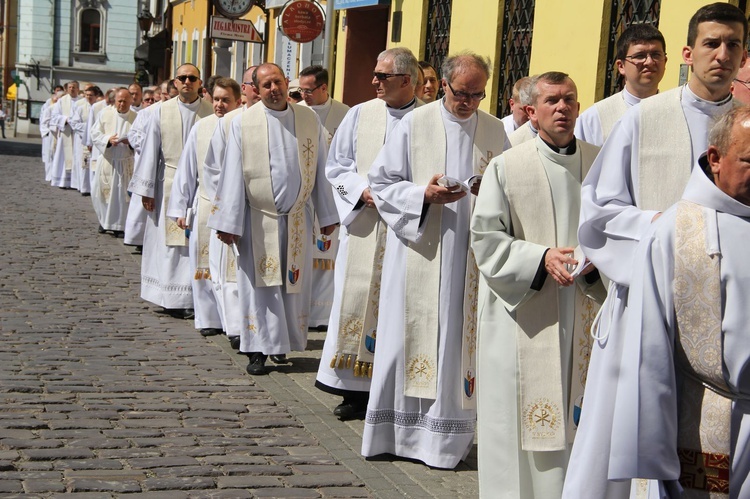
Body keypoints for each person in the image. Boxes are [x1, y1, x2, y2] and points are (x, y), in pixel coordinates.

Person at [565, 4, 748, 499]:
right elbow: (598, 216)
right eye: (712, 43)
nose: (722, 55)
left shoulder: (746, 124)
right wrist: (667, 231)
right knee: (626, 431)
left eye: (733, 45)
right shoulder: (644, 119)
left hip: (728, 314)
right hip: (645, 308)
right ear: (689, 53)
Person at [362, 52, 509, 469]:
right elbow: (382, 182)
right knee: (405, 338)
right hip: (419, 250)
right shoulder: (414, 123)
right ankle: (396, 435)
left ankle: (444, 444)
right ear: (443, 85)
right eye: (461, 93)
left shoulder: (496, 130)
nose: (468, 102)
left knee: (456, 346)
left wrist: (488, 189)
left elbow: (512, 181)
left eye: (478, 94)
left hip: (470, 257)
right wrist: (423, 195)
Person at [471, 71, 603, 498]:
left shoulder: (600, 162)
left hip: (586, 308)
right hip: (525, 312)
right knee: (516, 418)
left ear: (579, 108)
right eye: (552, 101)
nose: (562, 108)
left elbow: (618, 227)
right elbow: (486, 239)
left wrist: (597, 262)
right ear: (531, 112)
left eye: (569, 100)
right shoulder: (507, 166)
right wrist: (541, 258)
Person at [611, 105, 750, 498]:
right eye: (749, 161)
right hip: (709, 420)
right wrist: (650, 448)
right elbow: (648, 346)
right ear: (715, 159)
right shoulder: (677, 230)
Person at [207, 63, 338, 375]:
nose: (273, 89)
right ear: (256, 89)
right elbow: (231, 176)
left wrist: (329, 213)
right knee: (260, 288)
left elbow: (324, 169)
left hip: (297, 219)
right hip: (258, 220)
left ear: (285, 82)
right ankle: (257, 350)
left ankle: (281, 345)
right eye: (265, 85)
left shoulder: (309, 119)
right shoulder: (242, 124)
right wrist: (229, 222)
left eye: (277, 82)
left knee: (292, 286)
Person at [315, 47, 420, 420]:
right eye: (375, 74)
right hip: (364, 225)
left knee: (397, 306)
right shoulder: (360, 114)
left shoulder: (427, 119)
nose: (373, 81)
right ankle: (352, 391)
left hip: (406, 231)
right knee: (356, 296)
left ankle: (390, 389)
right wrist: (361, 192)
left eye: (383, 76)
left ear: (407, 80)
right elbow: (337, 166)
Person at [129, 64, 214, 317]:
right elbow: (149, 151)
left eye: (192, 78)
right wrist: (146, 189)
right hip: (168, 181)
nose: (187, 82)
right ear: (175, 83)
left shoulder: (211, 112)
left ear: (200, 83)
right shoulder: (161, 111)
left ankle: (193, 297)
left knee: (195, 241)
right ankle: (169, 296)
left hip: (202, 185)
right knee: (169, 245)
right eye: (182, 78)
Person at [167, 78, 242, 338]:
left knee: (231, 270)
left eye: (226, 100)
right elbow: (187, 169)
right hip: (206, 204)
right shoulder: (202, 127)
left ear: (238, 102)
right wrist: (180, 207)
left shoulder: (242, 124)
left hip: (235, 208)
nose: (220, 105)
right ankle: (208, 317)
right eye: (217, 99)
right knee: (202, 267)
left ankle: (234, 322)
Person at [298, 64, 350, 332]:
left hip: (336, 193)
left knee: (331, 254)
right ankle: (304, 310)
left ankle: (326, 313)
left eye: (308, 90)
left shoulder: (346, 114)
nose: (303, 95)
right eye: (300, 90)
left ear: (324, 88)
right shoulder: (297, 114)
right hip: (305, 195)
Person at [575, 24, 667, 146]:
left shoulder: (677, 112)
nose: (649, 62)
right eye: (640, 56)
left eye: (656, 55)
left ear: (665, 61)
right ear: (621, 66)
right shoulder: (594, 119)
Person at [90, 88, 137, 236]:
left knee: (123, 197)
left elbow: (142, 137)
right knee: (101, 193)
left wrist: (131, 142)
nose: (122, 104)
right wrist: (108, 140)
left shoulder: (136, 117)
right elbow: (95, 133)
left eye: (125, 101)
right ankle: (104, 222)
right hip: (108, 162)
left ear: (131, 101)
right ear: (115, 101)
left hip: (126, 162)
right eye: (119, 101)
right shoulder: (105, 113)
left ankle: (120, 225)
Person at [49, 81, 83, 188]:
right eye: (70, 87)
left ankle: (76, 182)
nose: (72, 89)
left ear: (78, 89)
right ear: (67, 89)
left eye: (74, 87)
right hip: (66, 133)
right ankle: (63, 181)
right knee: (64, 157)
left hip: (78, 135)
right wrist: (66, 119)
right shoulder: (62, 101)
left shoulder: (82, 101)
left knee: (77, 157)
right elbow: (54, 116)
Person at [69, 85, 101, 196]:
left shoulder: (99, 107)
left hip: (97, 141)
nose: (88, 97)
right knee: (84, 163)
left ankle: (93, 187)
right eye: (87, 95)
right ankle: (84, 187)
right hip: (83, 139)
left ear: (96, 96)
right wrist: (89, 129)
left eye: (91, 95)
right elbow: (74, 123)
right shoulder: (81, 107)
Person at [507, 77, 538, 147]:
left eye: (533, 110)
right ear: (512, 104)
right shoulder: (498, 131)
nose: (530, 115)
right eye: (524, 110)